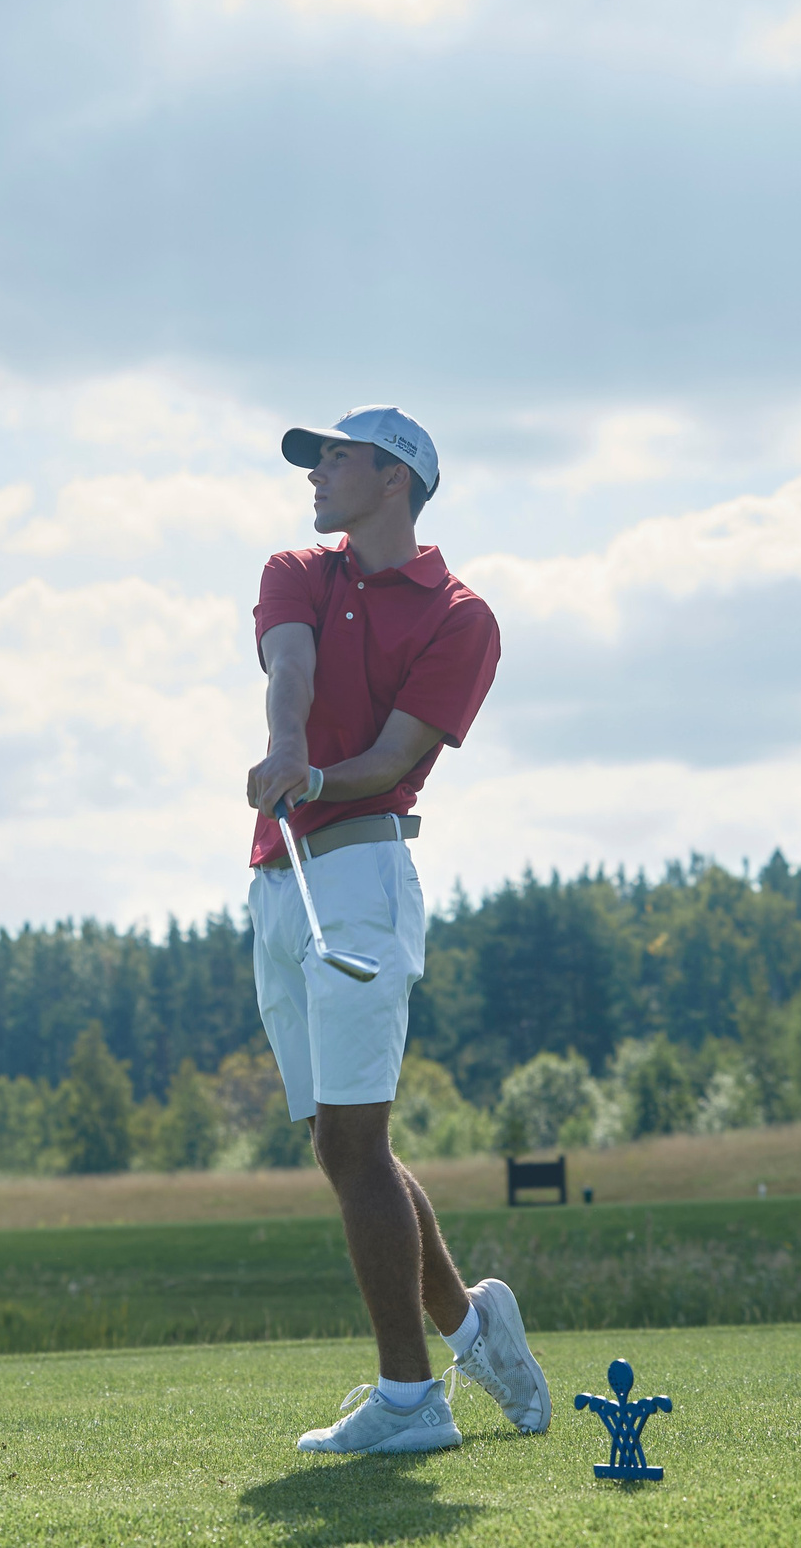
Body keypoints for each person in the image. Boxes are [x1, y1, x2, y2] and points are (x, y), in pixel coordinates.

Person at [242, 405, 549, 1456]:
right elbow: (292, 675)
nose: (316, 474)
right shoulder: (297, 569)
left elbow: (393, 754)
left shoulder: (461, 616)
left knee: (356, 1143)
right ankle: (471, 1324)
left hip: (365, 868)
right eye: (315, 458)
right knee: (339, 1144)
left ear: (396, 480)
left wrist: (315, 775)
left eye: (336, 459)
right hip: (278, 877)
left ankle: (410, 1401)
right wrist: (286, 750)